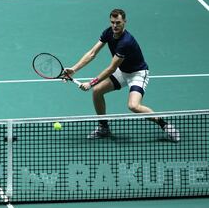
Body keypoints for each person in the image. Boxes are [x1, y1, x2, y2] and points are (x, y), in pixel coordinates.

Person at [64, 9, 180, 142]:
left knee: (133, 106)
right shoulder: (108, 32)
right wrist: (74, 69)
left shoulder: (126, 42)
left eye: (118, 22)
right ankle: (103, 127)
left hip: (137, 73)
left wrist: (90, 83)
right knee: (97, 91)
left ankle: (165, 125)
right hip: (123, 71)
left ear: (124, 22)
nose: (115, 26)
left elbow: (111, 68)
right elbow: (92, 53)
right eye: (112, 22)